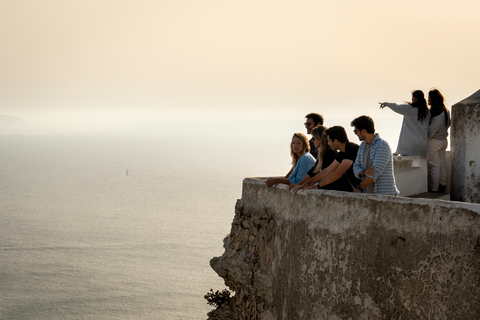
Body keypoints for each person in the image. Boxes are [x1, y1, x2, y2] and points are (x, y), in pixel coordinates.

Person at [291, 126, 360, 192]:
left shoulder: (351, 149)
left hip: (363, 188)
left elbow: (337, 173)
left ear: (335, 141)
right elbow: (327, 170)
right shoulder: (342, 153)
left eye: (329, 141)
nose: (328, 143)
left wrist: (317, 186)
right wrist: (306, 184)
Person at [351, 115, 399, 196]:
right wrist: (363, 172)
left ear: (363, 131)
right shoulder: (362, 146)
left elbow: (374, 173)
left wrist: (358, 188)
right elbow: (355, 166)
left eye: (356, 131)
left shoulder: (382, 146)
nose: (356, 134)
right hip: (367, 194)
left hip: (384, 196)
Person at [379, 90, 430, 157]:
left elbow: (397, 107)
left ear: (415, 98)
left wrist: (386, 104)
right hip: (423, 147)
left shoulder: (408, 109)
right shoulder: (427, 112)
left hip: (409, 147)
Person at [288, 125, 337, 191]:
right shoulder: (323, 153)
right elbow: (313, 171)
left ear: (320, 138)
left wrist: (304, 184)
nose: (312, 141)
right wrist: (300, 184)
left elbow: (325, 172)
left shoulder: (330, 153)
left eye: (313, 138)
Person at [428, 89, 451, 193]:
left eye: (429, 98)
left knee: (435, 165)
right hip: (443, 140)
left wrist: (428, 137)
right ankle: (443, 185)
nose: (428, 100)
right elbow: (449, 124)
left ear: (433, 100)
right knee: (442, 164)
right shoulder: (445, 111)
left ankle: (434, 188)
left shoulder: (435, 113)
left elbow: (432, 130)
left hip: (435, 141)